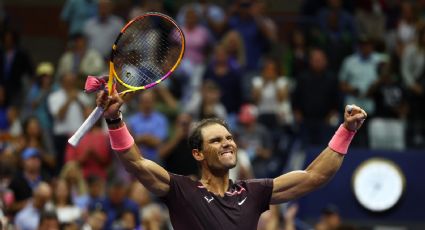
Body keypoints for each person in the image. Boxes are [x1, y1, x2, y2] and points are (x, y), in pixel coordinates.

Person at [95, 87, 367, 229]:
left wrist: (346, 131)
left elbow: (315, 176)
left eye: (228, 138)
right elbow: (135, 163)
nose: (227, 143)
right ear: (198, 154)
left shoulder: (254, 192)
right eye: (216, 140)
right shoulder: (181, 190)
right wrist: (114, 119)